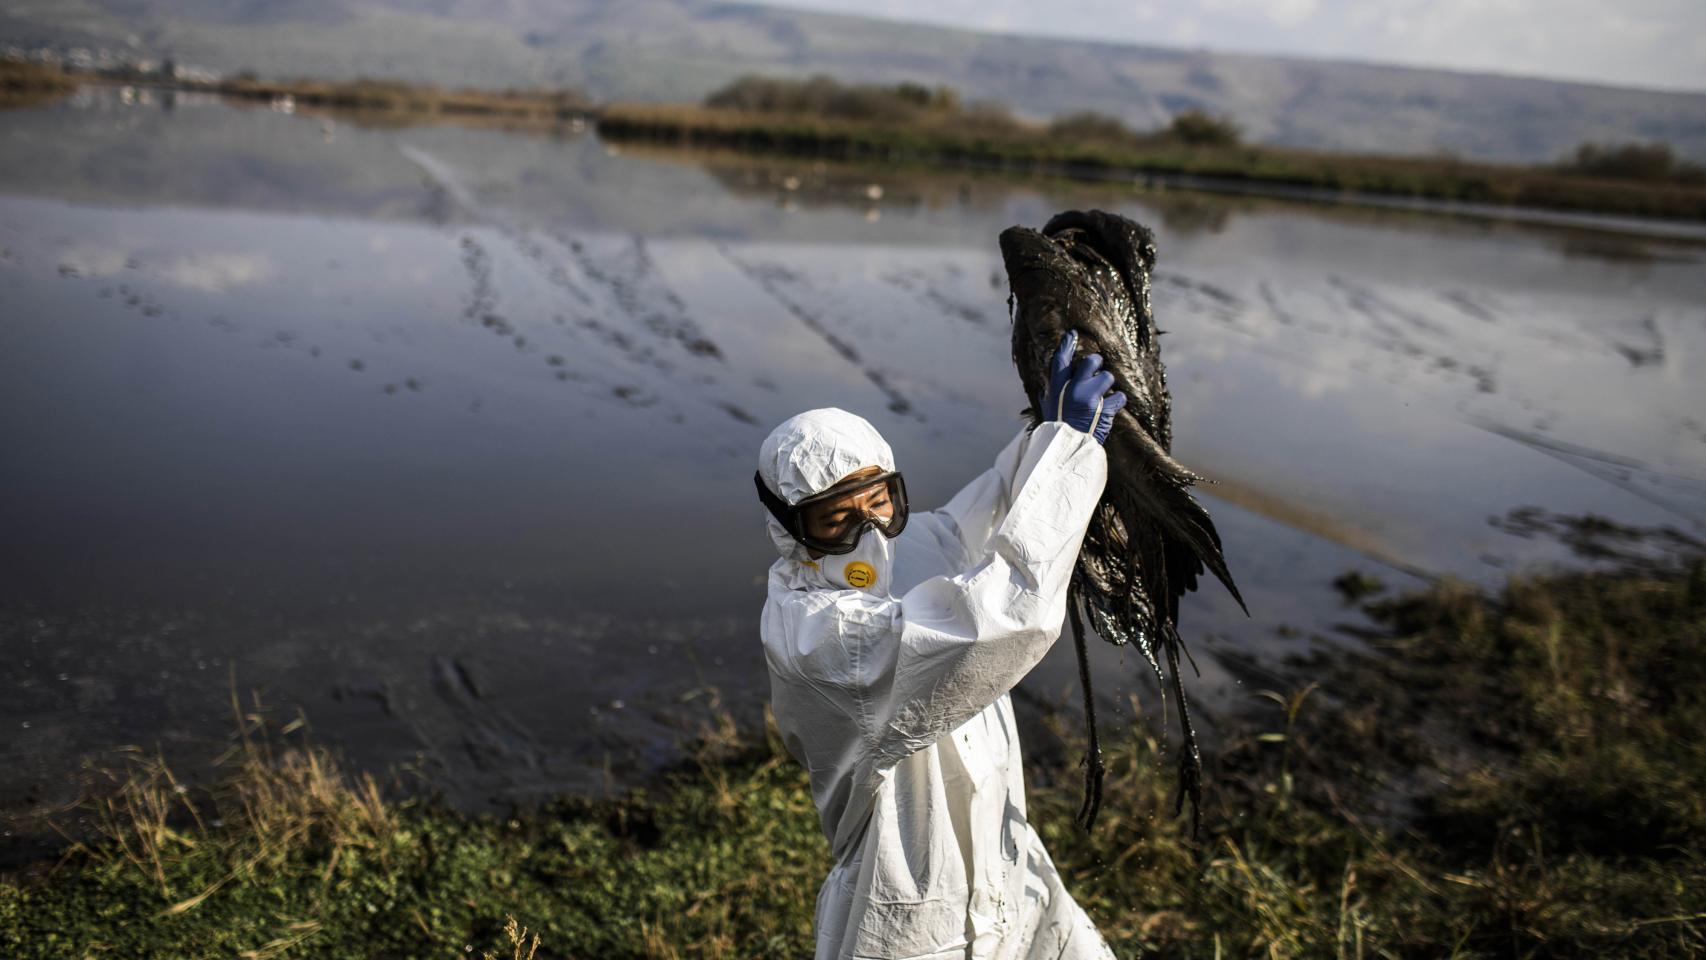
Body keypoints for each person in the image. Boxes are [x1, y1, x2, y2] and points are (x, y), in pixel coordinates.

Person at [755, 331, 1126, 960]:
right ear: (792, 530)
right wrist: (1071, 454)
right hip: (914, 904)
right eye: (836, 518)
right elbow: (998, 619)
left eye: (879, 500)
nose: (870, 529)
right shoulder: (816, 637)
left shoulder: (919, 543)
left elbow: (987, 513)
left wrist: (1045, 435)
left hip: (1005, 860)